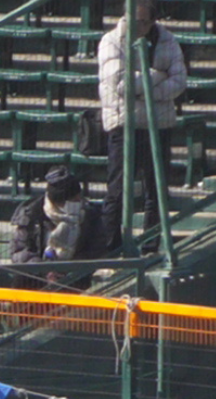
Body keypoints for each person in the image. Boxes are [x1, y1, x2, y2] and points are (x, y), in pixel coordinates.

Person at [100, 1, 187, 244]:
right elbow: (120, 84)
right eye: (133, 20)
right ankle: (111, 248)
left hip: (158, 125)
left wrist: (145, 90)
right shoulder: (111, 41)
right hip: (124, 125)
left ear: (152, 21)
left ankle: (151, 245)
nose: (138, 26)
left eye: (143, 21)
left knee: (156, 191)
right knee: (117, 191)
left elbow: (179, 81)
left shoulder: (168, 40)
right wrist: (157, 77)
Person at [9, 167, 119, 268]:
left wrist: (67, 268)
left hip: (75, 277)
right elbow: (19, 252)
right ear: (58, 202)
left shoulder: (91, 215)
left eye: (79, 198)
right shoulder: (31, 214)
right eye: (73, 200)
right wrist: (44, 269)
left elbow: (97, 251)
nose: (78, 202)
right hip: (37, 276)